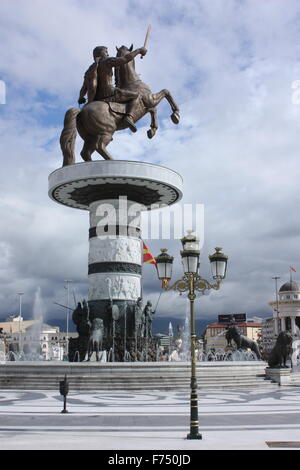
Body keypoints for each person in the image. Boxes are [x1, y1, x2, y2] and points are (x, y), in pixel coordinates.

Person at [78, 45, 147, 132]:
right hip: (109, 92)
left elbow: (84, 87)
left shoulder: (90, 69)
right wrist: (138, 50)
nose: (108, 53)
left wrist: (81, 97)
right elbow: (125, 59)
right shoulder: (107, 61)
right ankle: (129, 117)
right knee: (136, 95)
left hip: (97, 98)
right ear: (100, 53)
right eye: (106, 52)